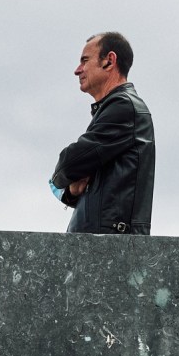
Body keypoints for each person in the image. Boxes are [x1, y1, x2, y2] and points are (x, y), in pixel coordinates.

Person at [49, 31, 155, 235]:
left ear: (109, 61)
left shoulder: (123, 107)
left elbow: (69, 163)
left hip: (110, 250)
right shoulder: (115, 108)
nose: (77, 70)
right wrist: (71, 190)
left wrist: (64, 175)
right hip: (103, 250)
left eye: (85, 61)